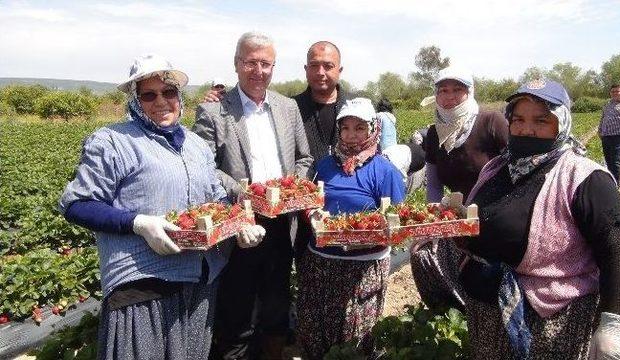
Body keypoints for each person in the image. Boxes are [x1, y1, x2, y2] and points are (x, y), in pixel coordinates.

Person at [59, 54, 265, 360]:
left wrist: (239, 225)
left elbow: (216, 199)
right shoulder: (113, 141)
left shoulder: (195, 145)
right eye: (149, 95)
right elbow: (77, 204)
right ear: (135, 99)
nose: (161, 102)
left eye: (168, 93)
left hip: (199, 281)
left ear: (179, 97)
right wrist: (139, 223)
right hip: (143, 284)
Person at [427, 79, 620, 359]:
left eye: (541, 120)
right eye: (519, 119)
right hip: (487, 311)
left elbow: (615, 249)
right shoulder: (498, 168)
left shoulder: (584, 177)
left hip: (549, 319)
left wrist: (614, 324)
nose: (527, 129)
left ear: (561, 123)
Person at [192, 32, 313, 360]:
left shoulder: (287, 107)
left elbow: (304, 157)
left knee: (276, 305)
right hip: (238, 225)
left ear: (273, 66)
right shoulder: (214, 112)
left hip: (281, 221)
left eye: (265, 63)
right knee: (237, 311)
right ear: (236, 64)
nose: (258, 70)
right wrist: (242, 192)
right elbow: (202, 166)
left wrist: (293, 191)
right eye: (250, 62)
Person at [296, 98, 406, 359]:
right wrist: (312, 215)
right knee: (315, 330)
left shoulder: (384, 171)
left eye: (359, 127)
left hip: (363, 267)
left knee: (353, 337)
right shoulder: (324, 166)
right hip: (321, 263)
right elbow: (309, 201)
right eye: (345, 128)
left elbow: (397, 220)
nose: (351, 135)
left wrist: (370, 233)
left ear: (372, 129)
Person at [410, 65, 509, 310]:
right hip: (456, 219)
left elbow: (518, 168)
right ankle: (455, 315)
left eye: (457, 89)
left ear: (469, 92)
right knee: (423, 256)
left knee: (489, 282)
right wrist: (430, 227)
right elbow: (433, 185)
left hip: (495, 217)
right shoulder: (435, 133)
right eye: (443, 90)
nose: (450, 96)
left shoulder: (490, 121)